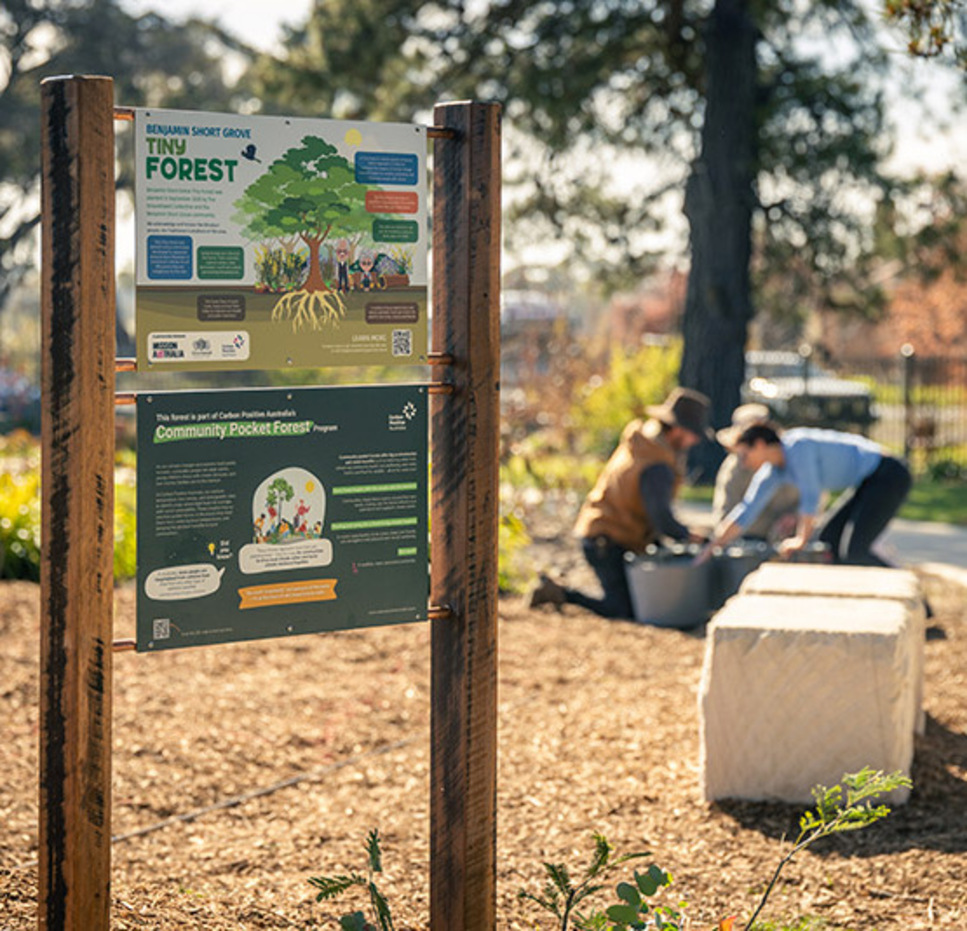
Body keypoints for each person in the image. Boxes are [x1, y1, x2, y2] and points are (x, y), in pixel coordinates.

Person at [529, 387, 713, 618]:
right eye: (693, 434)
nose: (694, 441)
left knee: (634, 599)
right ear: (677, 429)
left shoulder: (644, 443)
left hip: (603, 531)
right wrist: (688, 536)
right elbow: (660, 516)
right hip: (606, 540)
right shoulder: (656, 463)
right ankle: (560, 592)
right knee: (624, 609)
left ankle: (558, 589)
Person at [702, 422, 911, 566]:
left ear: (760, 444)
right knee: (830, 540)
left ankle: (911, 594)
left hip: (887, 474)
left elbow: (811, 497)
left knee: (855, 551)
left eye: (744, 454)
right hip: (867, 481)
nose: (742, 462)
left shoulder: (796, 448)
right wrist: (713, 545)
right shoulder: (773, 471)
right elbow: (746, 510)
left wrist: (800, 540)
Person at [712, 403, 799, 543]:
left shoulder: (788, 461)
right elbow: (725, 513)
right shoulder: (733, 469)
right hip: (748, 540)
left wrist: (795, 516)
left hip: (790, 538)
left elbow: (813, 497)